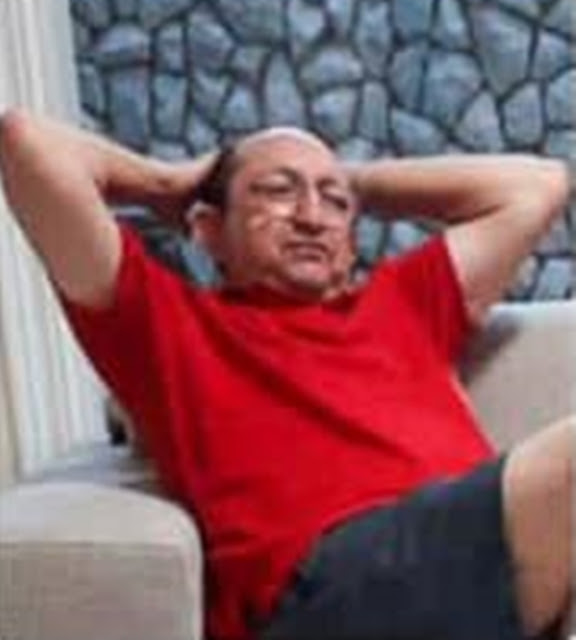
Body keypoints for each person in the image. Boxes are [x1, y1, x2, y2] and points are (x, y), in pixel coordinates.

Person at [0, 110, 573, 640]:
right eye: (277, 191)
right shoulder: (168, 324)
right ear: (208, 228)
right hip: (331, 590)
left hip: (481, 576)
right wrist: (166, 183)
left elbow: (539, 184)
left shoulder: (406, 301)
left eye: (333, 204)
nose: (310, 217)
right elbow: (27, 144)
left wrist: (353, 181)